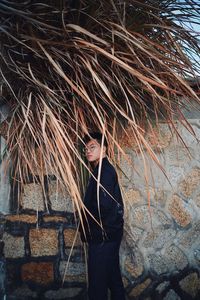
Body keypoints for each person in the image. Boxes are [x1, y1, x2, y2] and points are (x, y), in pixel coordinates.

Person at [79, 132, 126, 300]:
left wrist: (90, 227)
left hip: (103, 237)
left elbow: (103, 206)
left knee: (97, 286)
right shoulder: (101, 170)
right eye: (86, 149)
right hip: (108, 235)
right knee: (113, 280)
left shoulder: (104, 172)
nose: (88, 151)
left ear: (104, 149)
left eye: (93, 147)